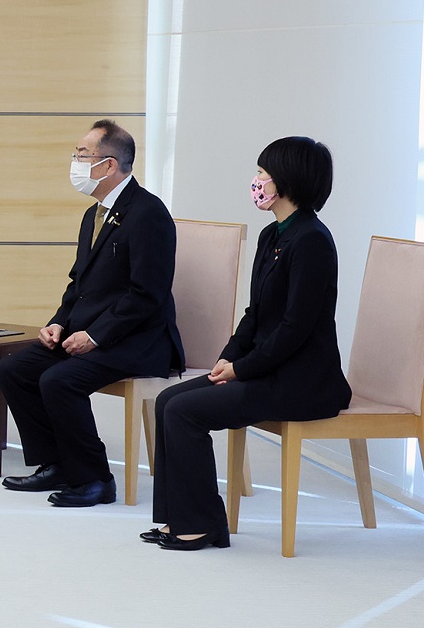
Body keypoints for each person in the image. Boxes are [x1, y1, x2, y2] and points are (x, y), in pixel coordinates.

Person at [148, 138, 350, 550]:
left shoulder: (312, 241)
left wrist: (243, 369)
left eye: (262, 173)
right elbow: (255, 314)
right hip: (263, 368)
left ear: (287, 180)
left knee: (185, 412)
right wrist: (228, 358)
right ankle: (178, 518)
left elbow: (295, 328)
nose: (256, 181)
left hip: (300, 381)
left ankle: (203, 525)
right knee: (168, 401)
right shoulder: (271, 235)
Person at [0, 120, 183, 508]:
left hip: (139, 339)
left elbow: (146, 295)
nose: (76, 162)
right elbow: (78, 285)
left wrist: (95, 336)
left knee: (59, 380)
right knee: (15, 369)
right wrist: (58, 323)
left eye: (83, 155)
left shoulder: (148, 214)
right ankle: (57, 463)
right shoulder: (93, 214)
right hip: (92, 331)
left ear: (109, 165)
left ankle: (96, 478)